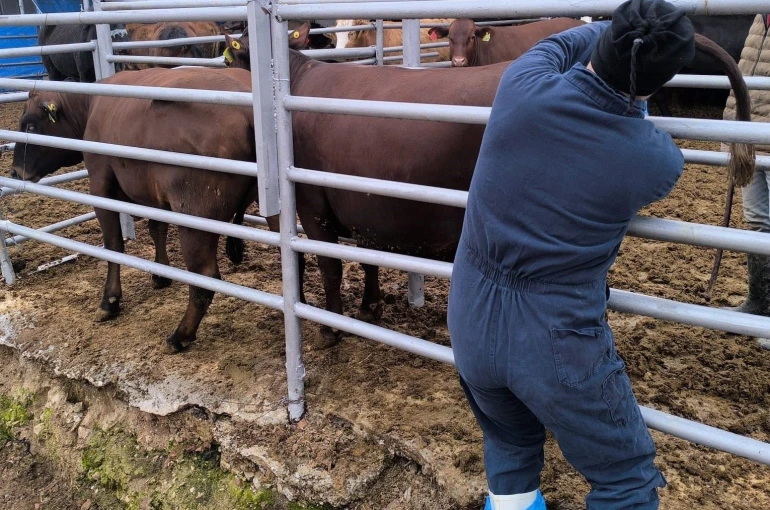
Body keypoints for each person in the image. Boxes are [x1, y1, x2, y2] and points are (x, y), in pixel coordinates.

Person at [447, 1, 695, 509]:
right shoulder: (655, 161)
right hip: (554, 335)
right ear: (659, 80)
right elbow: (633, 124)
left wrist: (615, 30)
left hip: (469, 311)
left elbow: (559, 45)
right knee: (625, 480)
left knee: (509, 443)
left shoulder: (521, 86)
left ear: (604, 45)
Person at [721, 14, 770, 347]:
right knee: (757, 222)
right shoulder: (760, 16)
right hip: (751, 136)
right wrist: (731, 125)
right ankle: (759, 301)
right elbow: (746, 65)